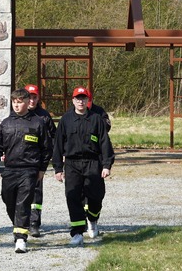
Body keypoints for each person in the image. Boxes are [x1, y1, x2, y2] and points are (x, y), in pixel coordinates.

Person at [0, 88, 52, 254]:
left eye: (20, 102)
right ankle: (18, 225)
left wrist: (42, 169)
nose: (17, 106)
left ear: (26, 102)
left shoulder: (38, 122)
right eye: (14, 103)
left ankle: (21, 239)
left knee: (23, 203)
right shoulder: (6, 123)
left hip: (29, 170)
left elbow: (46, 148)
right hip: (10, 170)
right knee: (8, 199)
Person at [52, 86, 115, 247]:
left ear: (88, 101)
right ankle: (78, 233)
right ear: (73, 100)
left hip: (93, 162)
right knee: (73, 197)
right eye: (78, 98)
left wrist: (107, 165)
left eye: (83, 98)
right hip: (72, 164)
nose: (81, 101)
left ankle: (92, 219)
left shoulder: (96, 119)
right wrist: (58, 168)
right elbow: (58, 145)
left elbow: (104, 143)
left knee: (96, 196)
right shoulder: (65, 120)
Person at [23, 84, 57, 238]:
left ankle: (34, 224)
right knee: (20, 193)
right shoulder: (17, 114)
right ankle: (21, 221)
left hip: (37, 161)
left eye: (34, 97)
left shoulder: (44, 116)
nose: (31, 100)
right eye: (29, 97)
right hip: (20, 161)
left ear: (38, 98)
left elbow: (55, 137)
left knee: (36, 193)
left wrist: (56, 156)